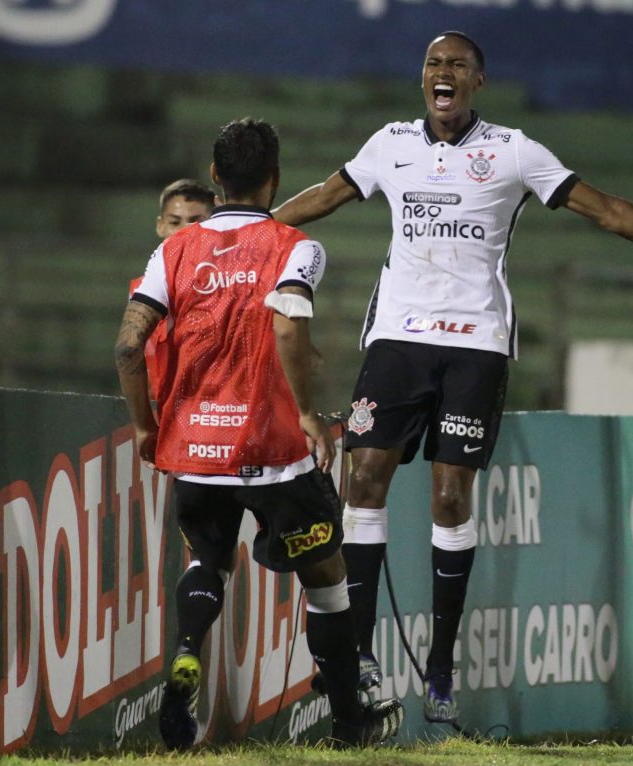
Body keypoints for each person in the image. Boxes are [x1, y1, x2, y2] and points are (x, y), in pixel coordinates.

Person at [272, 30, 633, 724]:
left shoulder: (513, 151)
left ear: (478, 81)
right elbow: (327, 196)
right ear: (423, 79)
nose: (442, 73)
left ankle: (441, 664)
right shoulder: (389, 144)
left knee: (450, 497)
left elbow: (606, 210)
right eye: (432, 64)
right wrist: (243, 231)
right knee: (363, 481)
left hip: (475, 342)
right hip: (398, 339)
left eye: (456, 65)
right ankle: (357, 658)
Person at [115, 118, 403, 750]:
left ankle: (188, 651)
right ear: (274, 179)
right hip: (272, 450)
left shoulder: (173, 249)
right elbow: (289, 322)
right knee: (326, 578)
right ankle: (351, 725)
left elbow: (129, 344)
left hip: (195, 449)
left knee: (206, 561)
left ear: (215, 179)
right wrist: (305, 413)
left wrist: (144, 423)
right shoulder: (296, 246)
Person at [128, 179, 217, 404]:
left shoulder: (228, 283)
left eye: (196, 221)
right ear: (160, 226)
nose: (185, 231)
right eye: (175, 222)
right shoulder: (140, 289)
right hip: (161, 411)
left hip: (211, 410)